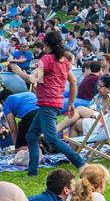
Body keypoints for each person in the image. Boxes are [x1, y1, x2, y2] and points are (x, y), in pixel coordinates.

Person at [23, 30, 84, 176]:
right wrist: (70, 104)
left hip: (48, 104)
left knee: (50, 138)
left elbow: (32, 79)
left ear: (46, 44)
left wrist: (17, 71)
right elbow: (73, 82)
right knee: (32, 135)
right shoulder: (64, 61)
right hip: (54, 103)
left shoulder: (47, 59)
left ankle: (80, 163)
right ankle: (32, 172)